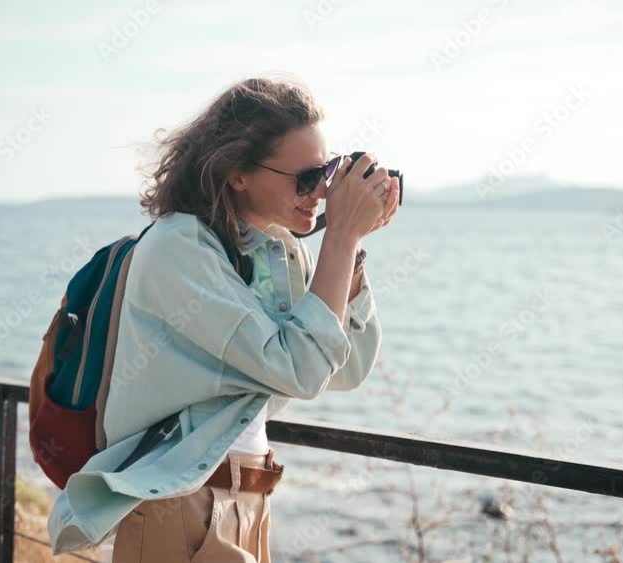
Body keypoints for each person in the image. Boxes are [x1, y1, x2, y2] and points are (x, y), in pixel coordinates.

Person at [48, 76, 398, 562]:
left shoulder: (279, 251)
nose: (320, 192)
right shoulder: (179, 249)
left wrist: (352, 249)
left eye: (327, 172)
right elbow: (298, 369)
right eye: (305, 177)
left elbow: (346, 367)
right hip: (182, 502)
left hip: (249, 496)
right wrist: (339, 236)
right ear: (237, 173)